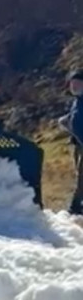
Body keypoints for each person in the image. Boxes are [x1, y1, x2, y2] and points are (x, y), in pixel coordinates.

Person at [59, 69, 83, 214]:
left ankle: (75, 207)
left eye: (79, 83)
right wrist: (66, 120)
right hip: (78, 143)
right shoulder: (77, 101)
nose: (74, 87)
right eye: (72, 84)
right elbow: (75, 118)